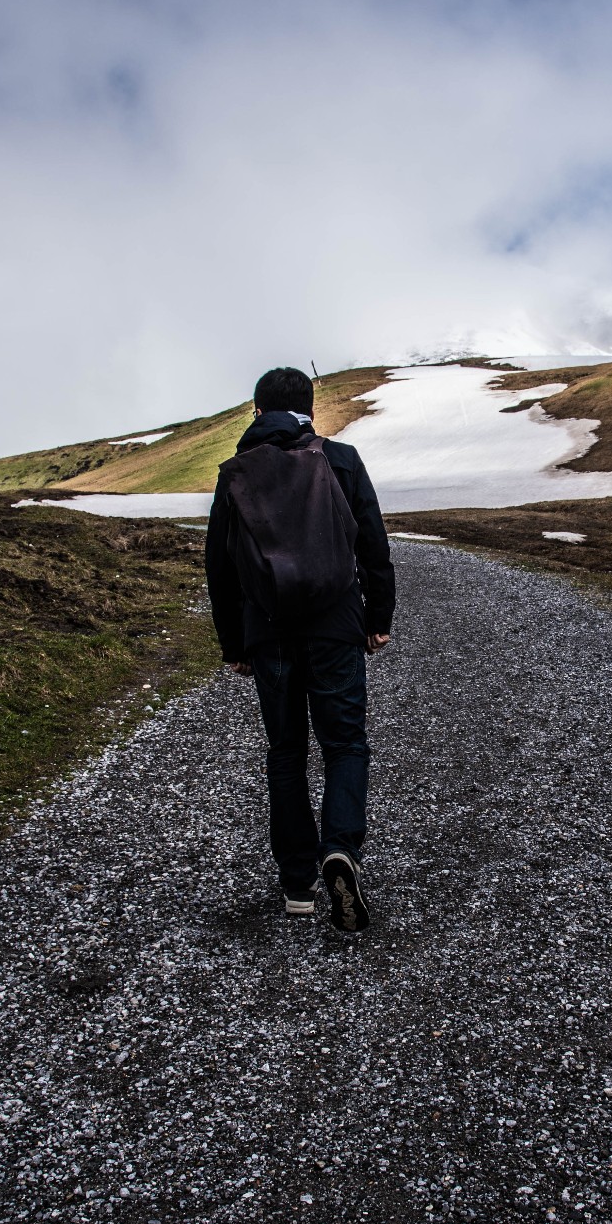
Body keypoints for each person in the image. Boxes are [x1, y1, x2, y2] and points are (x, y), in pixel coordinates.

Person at [206, 367, 394, 933]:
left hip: (269, 634)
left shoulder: (235, 472)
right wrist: (376, 618)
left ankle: (296, 885)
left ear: (256, 412)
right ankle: (340, 852)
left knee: (285, 752)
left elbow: (220, 564)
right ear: (311, 409)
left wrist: (234, 643)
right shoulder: (340, 459)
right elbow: (373, 543)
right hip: (335, 627)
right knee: (344, 745)